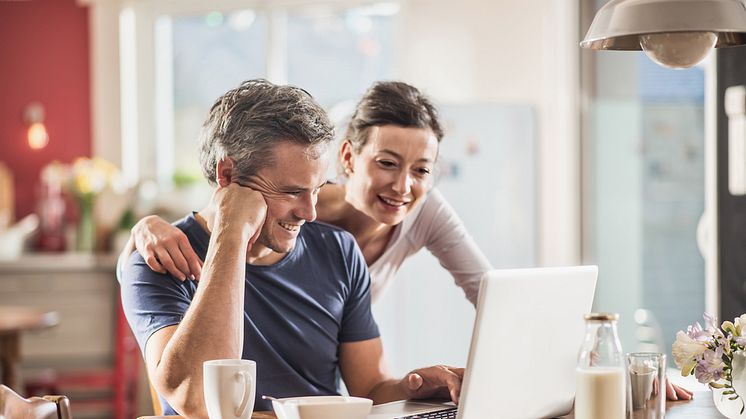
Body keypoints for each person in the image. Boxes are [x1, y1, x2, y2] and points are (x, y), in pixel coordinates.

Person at [120, 80, 464, 418]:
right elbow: (197, 400)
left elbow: (370, 390)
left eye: (316, 190)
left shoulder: (341, 251)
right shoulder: (160, 259)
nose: (310, 212)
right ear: (228, 174)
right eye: (291, 191)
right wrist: (232, 234)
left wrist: (415, 388)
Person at [119, 81, 491, 306]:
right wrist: (145, 229)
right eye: (387, 163)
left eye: (422, 170)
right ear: (347, 157)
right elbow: (217, 216)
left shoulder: (425, 211)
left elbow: (488, 292)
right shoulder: (288, 208)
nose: (403, 187)